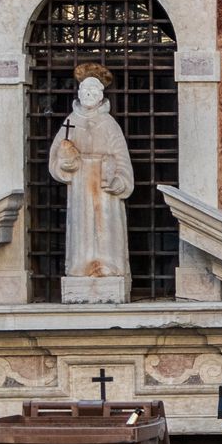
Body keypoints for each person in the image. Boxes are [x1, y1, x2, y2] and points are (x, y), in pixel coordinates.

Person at [48, 64, 135, 296]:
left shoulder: (110, 125)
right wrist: (65, 163)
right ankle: (80, 269)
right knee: (81, 231)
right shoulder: (69, 122)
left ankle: (109, 268)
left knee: (106, 231)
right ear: (78, 93)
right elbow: (56, 159)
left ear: (101, 96)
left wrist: (120, 181)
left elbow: (123, 160)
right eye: (85, 91)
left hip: (105, 188)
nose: (88, 95)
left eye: (94, 92)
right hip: (80, 188)